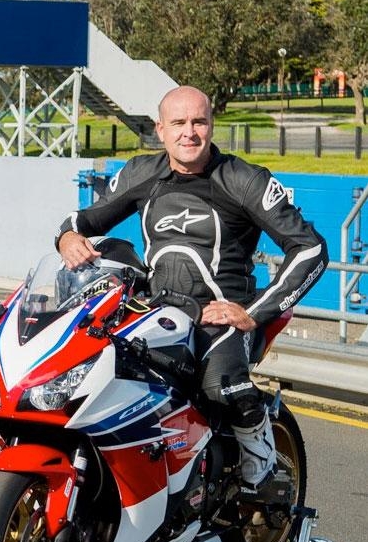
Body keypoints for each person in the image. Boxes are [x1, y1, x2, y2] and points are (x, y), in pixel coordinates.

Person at [56, 85, 327, 491]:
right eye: (179, 123)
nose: (189, 132)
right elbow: (82, 222)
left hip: (222, 318)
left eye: (199, 121)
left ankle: (262, 465)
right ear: (160, 130)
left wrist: (253, 313)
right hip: (158, 313)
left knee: (221, 387)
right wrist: (67, 240)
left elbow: (311, 249)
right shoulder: (140, 173)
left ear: (212, 125)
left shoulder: (245, 180)